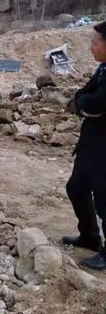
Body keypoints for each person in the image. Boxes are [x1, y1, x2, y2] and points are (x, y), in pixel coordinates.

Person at [62, 21, 106, 271]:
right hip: (91, 142)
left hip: (103, 147)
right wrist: (85, 104)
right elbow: (82, 96)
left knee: (105, 198)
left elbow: (96, 103)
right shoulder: (102, 69)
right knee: (76, 187)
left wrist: (88, 105)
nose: (90, 47)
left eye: (95, 42)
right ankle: (90, 236)